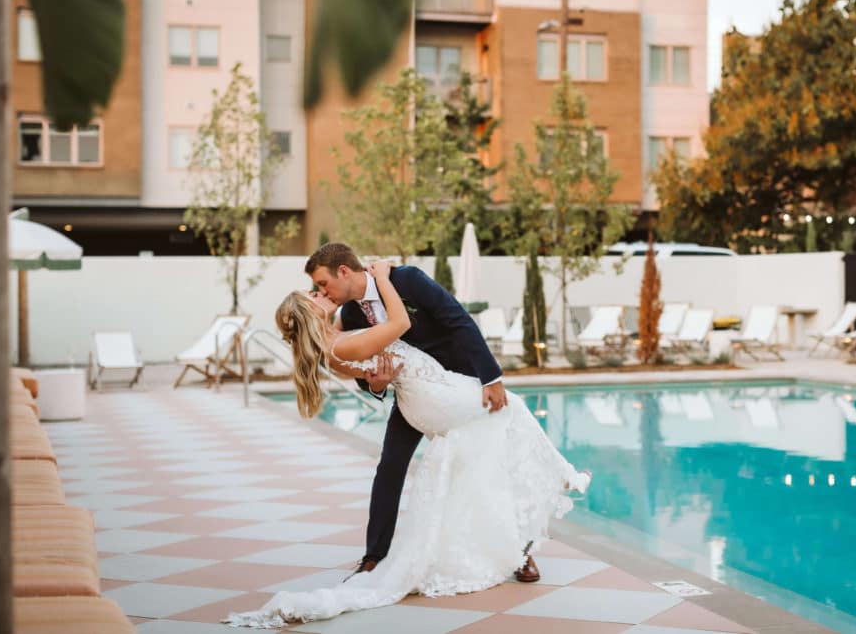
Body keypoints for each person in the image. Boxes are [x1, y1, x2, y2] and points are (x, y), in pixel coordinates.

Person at [224, 260, 589, 628]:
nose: (322, 293)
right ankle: (377, 556)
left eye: (321, 285)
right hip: (429, 396)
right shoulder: (349, 320)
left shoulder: (397, 287)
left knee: (482, 453)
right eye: (315, 293)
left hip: (444, 381)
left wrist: (486, 376)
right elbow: (392, 337)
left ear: (343, 271)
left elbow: (456, 320)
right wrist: (378, 378)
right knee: (503, 420)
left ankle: (518, 546)